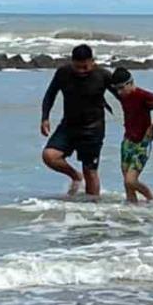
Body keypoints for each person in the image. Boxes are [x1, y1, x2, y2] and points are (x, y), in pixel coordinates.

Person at [40, 44, 115, 197]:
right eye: (77, 67)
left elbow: (124, 96)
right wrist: (45, 118)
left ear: (92, 61)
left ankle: (93, 207)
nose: (81, 71)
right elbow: (50, 94)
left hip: (93, 129)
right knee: (49, 156)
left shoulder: (103, 75)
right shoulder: (63, 73)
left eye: (85, 67)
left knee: (90, 171)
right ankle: (75, 176)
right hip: (68, 126)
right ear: (72, 62)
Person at [111, 67, 153, 204]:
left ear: (130, 83)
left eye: (122, 88)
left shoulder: (145, 96)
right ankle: (132, 211)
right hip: (127, 141)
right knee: (127, 184)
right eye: (117, 89)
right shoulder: (123, 96)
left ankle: (152, 199)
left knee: (131, 180)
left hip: (142, 142)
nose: (119, 92)